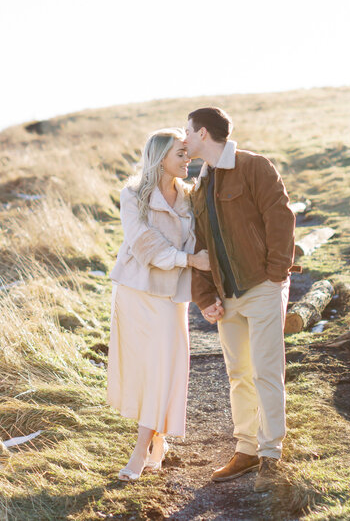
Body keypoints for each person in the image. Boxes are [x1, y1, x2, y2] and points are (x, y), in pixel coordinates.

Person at [184, 107, 297, 493]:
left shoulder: (253, 166)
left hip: (262, 286)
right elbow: (199, 245)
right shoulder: (201, 183)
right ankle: (246, 449)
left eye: (187, 131)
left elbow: (280, 218)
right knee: (238, 375)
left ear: (202, 133)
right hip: (226, 296)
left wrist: (276, 274)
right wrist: (204, 295)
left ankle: (271, 452)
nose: (184, 140)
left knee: (267, 369)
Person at [107, 128, 211, 481]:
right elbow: (143, 244)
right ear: (161, 158)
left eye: (187, 153)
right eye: (180, 154)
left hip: (171, 297)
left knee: (164, 367)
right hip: (137, 292)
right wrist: (191, 261)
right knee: (147, 370)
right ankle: (155, 443)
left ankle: (142, 451)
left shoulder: (191, 196)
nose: (188, 159)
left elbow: (203, 237)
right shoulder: (133, 195)